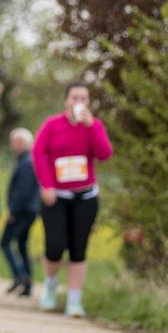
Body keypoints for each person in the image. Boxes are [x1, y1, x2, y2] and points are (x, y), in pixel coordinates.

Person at [32, 81, 113, 318]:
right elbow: (38, 153)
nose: (79, 102)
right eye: (75, 98)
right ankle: (49, 286)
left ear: (88, 103)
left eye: (84, 99)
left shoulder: (94, 125)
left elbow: (104, 154)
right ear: (66, 100)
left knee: (79, 249)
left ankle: (74, 302)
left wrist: (92, 127)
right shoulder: (52, 124)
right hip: (56, 197)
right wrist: (48, 185)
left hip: (85, 197)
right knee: (55, 246)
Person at [0, 127, 40, 297]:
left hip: (23, 210)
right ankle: (27, 284)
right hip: (29, 209)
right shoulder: (26, 160)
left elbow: (23, 191)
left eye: (16, 142)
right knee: (22, 245)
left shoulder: (26, 162)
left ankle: (20, 275)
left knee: (5, 242)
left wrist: (13, 211)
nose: (12, 146)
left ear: (24, 143)